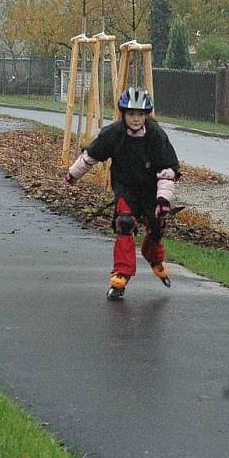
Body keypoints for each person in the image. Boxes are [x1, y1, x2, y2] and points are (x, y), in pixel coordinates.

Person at [65, 87, 180, 300]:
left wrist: (164, 200)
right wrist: (73, 175)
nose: (135, 119)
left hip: (152, 190)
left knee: (156, 230)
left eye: (140, 114)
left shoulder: (156, 136)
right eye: (131, 114)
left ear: (146, 115)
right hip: (125, 188)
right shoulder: (113, 134)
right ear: (123, 114)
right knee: (124, 223)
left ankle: (155, 259)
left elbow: (167, 171)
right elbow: (90, 156)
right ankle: (121, 274)